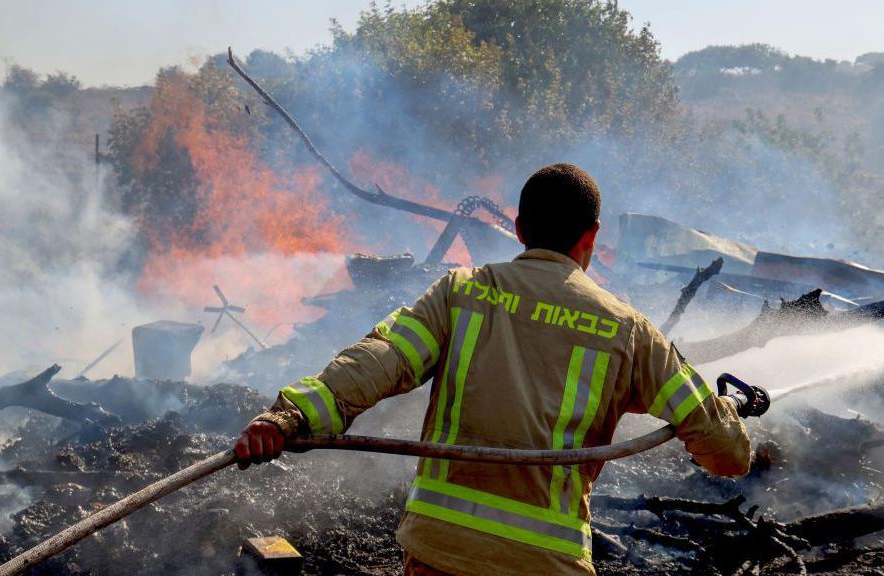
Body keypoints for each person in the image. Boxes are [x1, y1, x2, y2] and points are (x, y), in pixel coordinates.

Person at [234, 164, 756, 575]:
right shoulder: (627, 330)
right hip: (546, 565)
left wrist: (288, 417)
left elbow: (378, 359)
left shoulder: (461, 291)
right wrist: (733, 416)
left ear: (520, 228)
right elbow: (727, 454)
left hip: (438, 553)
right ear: (592, 236)